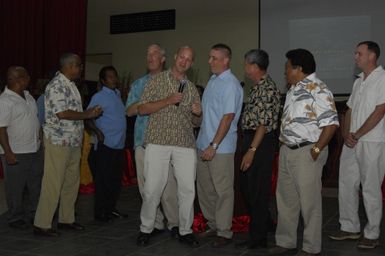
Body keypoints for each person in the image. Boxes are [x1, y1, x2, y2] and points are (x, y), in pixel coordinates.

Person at [270, 49, 339, 255]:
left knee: (310, 203)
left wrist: (316, 150)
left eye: (287, 67)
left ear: (297, 68)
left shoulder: (318, 88)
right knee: (286, 200)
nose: (285, 71)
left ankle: (310, 247)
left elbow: (331, 125)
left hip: (307, 151)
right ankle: (285, 242)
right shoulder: (293, 89)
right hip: (287, 151)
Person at [136, 46, 202, 247]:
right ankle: (146, 228)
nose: (184, 61)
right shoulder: (156, 80)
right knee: (152, 188)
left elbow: (196, 124)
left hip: (184, 143)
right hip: (158, 141)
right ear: (175, 57)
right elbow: (142, 108)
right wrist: (168, 100)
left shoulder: (191, 88)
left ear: (191, 64)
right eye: (182, 57)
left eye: (188, 59)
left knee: (188, 189)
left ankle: (185, 230)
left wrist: (198, 113)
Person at [33, 53, 103, 237]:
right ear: (70, 66)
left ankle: (66, 219)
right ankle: (42, 224)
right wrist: (87, 114)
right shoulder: (56, 85)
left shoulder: (71, 85)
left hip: (72, 140)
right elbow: (62, 113)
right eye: (79, 65)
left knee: (71, 182)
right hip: (58, 140)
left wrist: (87, 115)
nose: (81, 69)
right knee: (53, 182)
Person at [329, 41, 385, 249]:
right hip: (352, 142)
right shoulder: (359, 81)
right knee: (346, 183)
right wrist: (345, 134)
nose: (355, 57)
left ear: (372, 56)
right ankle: (350, 227)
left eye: (359, 53)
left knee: (370, 188)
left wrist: (359, 134)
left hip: (373, 141)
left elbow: (380, 110)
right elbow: (349, 110)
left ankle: (372, 233)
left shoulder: (383, 78)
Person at [126, 44, 179, 236]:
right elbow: (130, 110)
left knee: (169, 187)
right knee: (146, 187)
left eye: (154, 53)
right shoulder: (138, 84)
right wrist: (145, 104)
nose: (150, 57)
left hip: (167, 142)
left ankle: (175, 224)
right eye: (147, 54)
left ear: (163, 59)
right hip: (143, 142)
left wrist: (152, 105)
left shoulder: (173, 81)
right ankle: (155, 222)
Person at [196, 43, 243, 247]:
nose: (209, 61)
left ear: (226, 60)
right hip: (203, 144)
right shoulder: (213, 81)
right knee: (205, 188)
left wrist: (213, 145)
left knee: (223, 190)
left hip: (220, 148)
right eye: (209, 57)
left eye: (214, 58)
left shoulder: (231, 84)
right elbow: (209, 116)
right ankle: (213, 224)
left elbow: (228, 117)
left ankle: (224, 231)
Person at [235, 49, 280, 249]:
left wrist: (251, 151)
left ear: (254, 66)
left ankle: (258, 238)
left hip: (260, 142)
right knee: (248, 187)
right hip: (252, 140)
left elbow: (263, 124)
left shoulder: (267, 87)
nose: (245, 68)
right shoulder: (257, 87)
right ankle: (265, 224)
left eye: (246, 64)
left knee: (257, 190)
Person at [0, 66, 43, 229]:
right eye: (26, 76)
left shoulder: (29, 96)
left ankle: (34, 213)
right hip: (16, 151)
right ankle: (15, 216)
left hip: (35, 148)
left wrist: (40, 137)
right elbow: (1, 129)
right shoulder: (4, 101)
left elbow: (34, 119)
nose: (29, 78)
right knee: (15, 187)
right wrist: (8, 152)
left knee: (35, 184)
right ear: (17, 79)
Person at [86, 66, 127, 222]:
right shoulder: (99, 96)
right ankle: (100, 212)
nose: (113, 79)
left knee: (115, 181)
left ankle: (110, 209)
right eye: (109, 77)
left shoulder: (117, 94)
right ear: (103, 80)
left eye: (114, 76)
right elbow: (88, 117)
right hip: (105, 146)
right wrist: (97, 132)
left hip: (118, 145)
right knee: (103, 181)